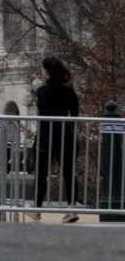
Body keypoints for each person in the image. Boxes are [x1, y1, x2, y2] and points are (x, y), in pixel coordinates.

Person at [33, 56, 82, 216]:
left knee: (41, 173)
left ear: (46, 71)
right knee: (68, 172)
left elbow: (43, 109)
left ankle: (37, 208)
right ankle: (72, 207)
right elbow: (75, 113)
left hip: (46, 136)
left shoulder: (42, 91)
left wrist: (37, 90)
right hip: (66, 134)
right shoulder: (68, 89)